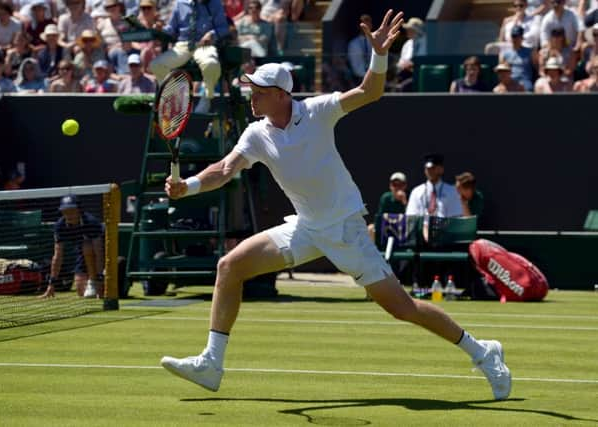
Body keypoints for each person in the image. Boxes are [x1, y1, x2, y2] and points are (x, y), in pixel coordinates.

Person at [160, 10, 511, 401]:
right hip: (306, 228)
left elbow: (369, 92)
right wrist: (188, 186)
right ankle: (212, 362)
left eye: (259, 90)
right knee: (231, 266)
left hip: (345, 229)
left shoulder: (317, 111)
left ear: (281, 94)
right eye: (251, 89)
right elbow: (225, 169)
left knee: (403, 309)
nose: (252, 95)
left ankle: (483, 352)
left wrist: (379, 55)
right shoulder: (256, 133)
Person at [150, 0, 229, 114]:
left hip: (204, 45)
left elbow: (223, 28)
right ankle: (176, 99)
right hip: (183, 45)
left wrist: (211, 34)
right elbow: (171, 30)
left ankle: (206, 98)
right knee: (156, 65)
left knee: (211, 64)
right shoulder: (180, 3)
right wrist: (160, 29)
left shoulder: (215, 3)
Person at [41, 195, 105, 298]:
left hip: (104, 250)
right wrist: (51, 285)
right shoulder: (59, 226)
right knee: (81, 291)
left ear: (79, 210)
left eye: (72, 210)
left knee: (87, 245)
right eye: (65, 211)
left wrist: (99, 279)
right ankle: (90, 281)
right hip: (82, 252)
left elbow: (99, 253)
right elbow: (57, 256)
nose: (68, 214)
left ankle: (93, 280)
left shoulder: (91, 222)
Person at [405, 154, 463, 219]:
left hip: (445, 228)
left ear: (441, 169)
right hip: (422, 228)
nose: (430, 171)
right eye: (427, 168)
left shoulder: (452, 191)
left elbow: (455, 218)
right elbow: (411, 216)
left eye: (433, 168)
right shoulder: (416, 192)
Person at [367, 171, 408, 243]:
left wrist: (405, 202)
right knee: (370, 228)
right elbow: (380, 218)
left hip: (403, 229)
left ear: (405, 186)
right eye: (395, 185)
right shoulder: (385, 198)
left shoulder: (411, 196)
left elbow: (411, 219)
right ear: (390, 186)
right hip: (387, 228)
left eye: (400, 185)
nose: (397, 188)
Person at [500, 24, 538, 91]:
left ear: (522, 38)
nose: (515, 39)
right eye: (514, 36)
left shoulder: (530, 52)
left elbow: (537, 68)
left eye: (518, 36)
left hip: (525, 82)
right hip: (509, 83)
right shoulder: (505, 54)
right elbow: (502, 72)